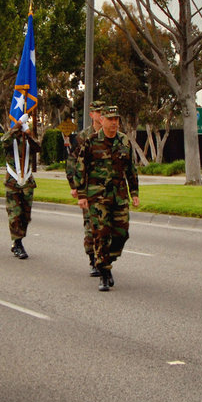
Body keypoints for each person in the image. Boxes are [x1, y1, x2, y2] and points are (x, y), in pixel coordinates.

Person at [77, 105, 140, 292]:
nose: (114, 123)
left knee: (122, 233)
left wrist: (134, 193)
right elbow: (81, 168)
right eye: (110, 119)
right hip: (98, 197)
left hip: (119, 196)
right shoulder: (91, 141)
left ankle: (107, 260)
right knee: (101, 234)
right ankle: (104, 273)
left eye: (116, 119)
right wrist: (82, 195)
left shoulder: (124, 141)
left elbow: (131, 169)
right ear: (101, 120)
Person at [66, 100, 105, 276]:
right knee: (91, 226)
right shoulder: (83, 137)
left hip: (107, 189)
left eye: (104, 112)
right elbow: (72, 161)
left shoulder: (112, 135)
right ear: (92, 115)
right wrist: (74, 185)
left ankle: (104, 259)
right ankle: (93, 260)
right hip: (88, 188)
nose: (101, 115)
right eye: (98, 112)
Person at [2, 115, 40, 259]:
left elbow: (38, 147)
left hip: (27, 183)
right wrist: (17, 126)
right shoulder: (10, 140)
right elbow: (4, 141)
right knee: (14, 214)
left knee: (25, 215)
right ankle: (17, 243)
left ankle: (18, 240)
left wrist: (28, 134)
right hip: (13, 182)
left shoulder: (28, 139)